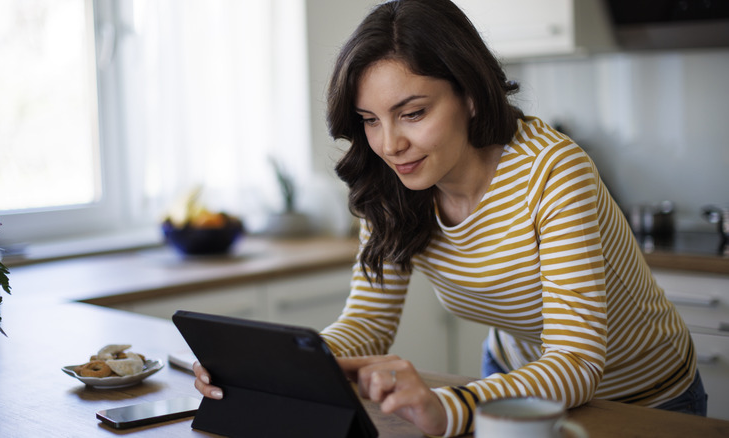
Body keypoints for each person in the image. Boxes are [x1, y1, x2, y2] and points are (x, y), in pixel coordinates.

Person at [194, 0, 707, 435]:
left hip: (643, 398)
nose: (390, 145)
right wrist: (276, 370)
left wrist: (450, 404)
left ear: (469, 94)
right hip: (511, 386)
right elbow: (368, 323)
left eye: (413, 113)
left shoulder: (553, 171)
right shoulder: (392, 183)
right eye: (371, 121)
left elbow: (577, 363)